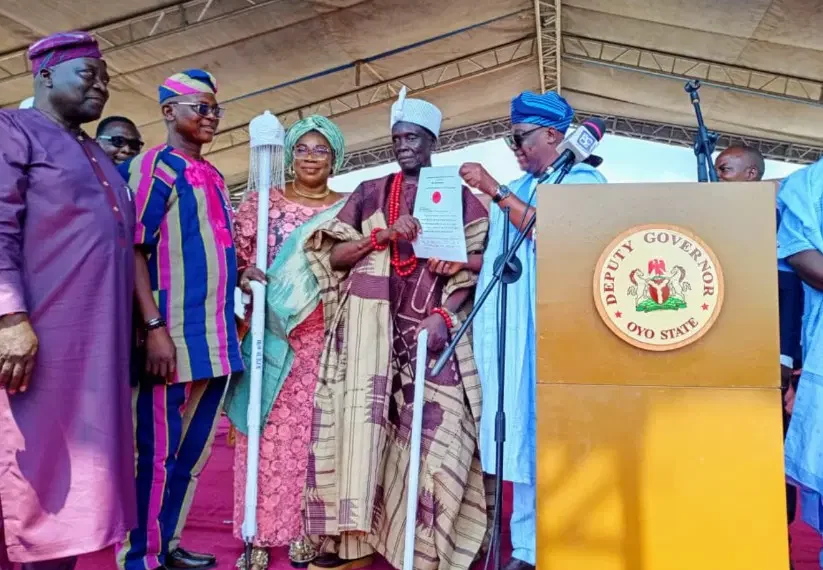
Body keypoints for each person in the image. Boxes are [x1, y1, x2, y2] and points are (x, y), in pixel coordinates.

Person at [301, 87, 489, 570]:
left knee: (441, 443)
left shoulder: (459, 197)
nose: (404, 145)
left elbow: (483, 264)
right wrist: (381, 236)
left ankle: (428, 554)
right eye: (398, 137)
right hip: (370, 338)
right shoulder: (368, 193)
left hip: (433, 335)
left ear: (432, 142)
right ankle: (355, 545)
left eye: (414, 137)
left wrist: (447, 315)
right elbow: (334, 257)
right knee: (362, 437)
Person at [0, 31, 136, 570]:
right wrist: (10, 316)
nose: (101, 86)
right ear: (45, 75)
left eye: (105, 78)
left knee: (78, 480)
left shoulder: (89, 149)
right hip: (37, 341)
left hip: (92, 346)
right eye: (89, 75)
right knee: (31, 469)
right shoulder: (13, 130)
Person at [460, 91, 607, 570]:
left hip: (561, 335)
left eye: (520, 137)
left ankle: (570, 540)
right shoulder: (524, 185)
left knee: (558, 439)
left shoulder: (584, 180)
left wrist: (495, 190)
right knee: (520, 434)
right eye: (510, 137)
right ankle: (526, 548)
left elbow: (560, 236)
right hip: (516, 334)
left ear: (552, 135)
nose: (514, 147)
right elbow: (513, 257)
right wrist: (465, 260)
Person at [116, 69, 243, 570]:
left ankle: (165, 543)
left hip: (215, 337)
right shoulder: (155, 168)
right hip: (168, 335)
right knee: (154, 453)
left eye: (216, 109)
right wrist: (152, 328)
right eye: (201, 108)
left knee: (190, 454)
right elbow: (133, 249)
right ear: (169, 112)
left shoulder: (210, 173)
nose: (210, 117)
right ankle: (139, 556)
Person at [225, 115, 349, 570]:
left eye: (321, 150)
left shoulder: (346, 207)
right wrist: (243, 274)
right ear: (289, 155)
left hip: (323, 337)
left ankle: (304, 531)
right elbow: (236, 259)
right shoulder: (262, 203)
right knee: (261, 434)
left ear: (335, 158)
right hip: (270, 336)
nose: (310, 157)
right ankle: (254, 534)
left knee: (312, 440)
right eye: (302, 149)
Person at [716, 144, 802, 569]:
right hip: (724, 362)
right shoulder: (719, 220)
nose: (719, 178)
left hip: (769, 361)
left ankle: (775, 543)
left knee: (770, 453)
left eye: (726, 170)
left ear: (751, 176)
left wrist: (785, 359)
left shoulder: (777, 217)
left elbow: (789, 292)